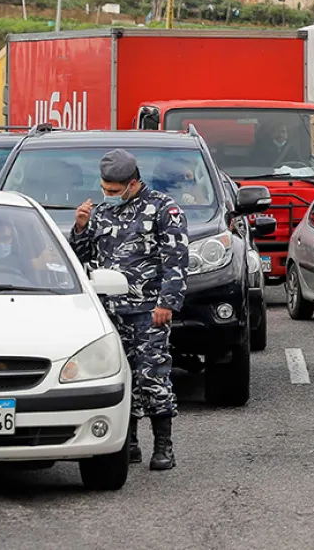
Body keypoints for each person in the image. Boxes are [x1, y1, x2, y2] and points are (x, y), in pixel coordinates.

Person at [71, 149, 190, 471]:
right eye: (104, 189)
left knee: (152, 376)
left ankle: (163, 446)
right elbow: (81, 258)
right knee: (120, 378)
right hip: (108, 311)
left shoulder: (164, 209)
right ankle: (130, 443)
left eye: (114, 191)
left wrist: (167, 303)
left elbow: (176, 261)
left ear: (133, 183)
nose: (107, 196)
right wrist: (80, 228)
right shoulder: (98, 212)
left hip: (148, 309)